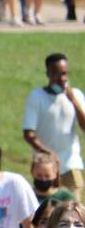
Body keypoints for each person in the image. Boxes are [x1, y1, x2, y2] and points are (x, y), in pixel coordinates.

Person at [23, 53, 85, 198]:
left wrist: (74, 102)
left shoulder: (76, 95)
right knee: (48, 209)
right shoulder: (37, 97)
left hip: (71, 163)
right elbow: (28, 133)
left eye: (64, 74)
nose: (62, 79)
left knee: (73, 207)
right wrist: (47, 153)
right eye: (56, 74)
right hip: (45, 167)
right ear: (48, 74)